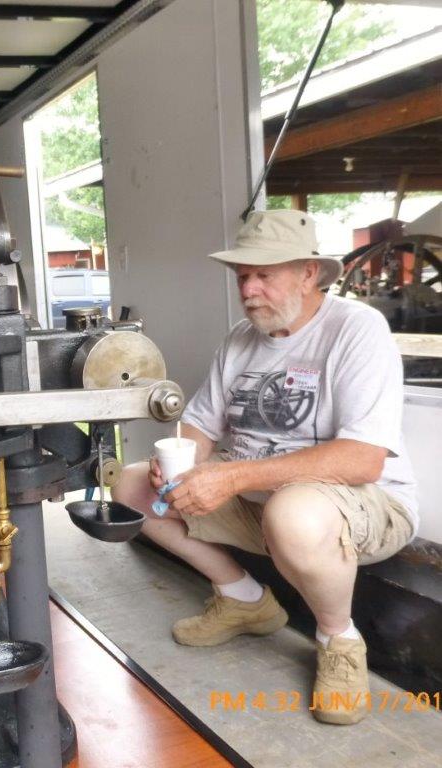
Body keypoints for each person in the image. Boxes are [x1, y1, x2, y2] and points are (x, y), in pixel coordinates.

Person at [112, 209, 417, 725]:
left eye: (264, 275)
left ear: (309, 273)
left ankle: (339, 640)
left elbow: (363, 460)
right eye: (242, 277)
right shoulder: (240, 338)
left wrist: (231, 477)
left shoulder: (356, 328)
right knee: (131, 486)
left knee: (293, 513)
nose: (249, 290)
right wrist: (177, 463)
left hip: (361, 507)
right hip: (264, 499)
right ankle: (243, 598)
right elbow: (200, 425)